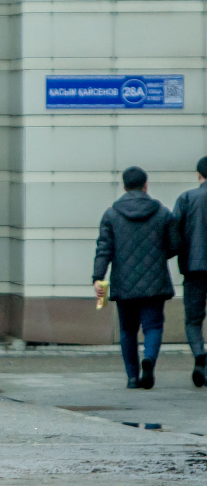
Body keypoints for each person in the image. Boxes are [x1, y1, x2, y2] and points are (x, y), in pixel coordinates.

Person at [94, 166, 177, 390]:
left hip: (124, 282)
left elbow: (104, 249)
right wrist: (159, 256)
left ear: (124, 186)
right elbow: (175, 245)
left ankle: (132, 376)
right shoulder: (162, 213)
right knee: (153, 326)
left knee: (127, 330)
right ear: (146, 185)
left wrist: (98, 277)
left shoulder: (111, 214)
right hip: (155, 281)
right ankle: (148, 359)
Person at [171, 156, 207, 388]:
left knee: (193, 320)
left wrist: (179, 253)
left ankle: (199, 356)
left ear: (198, 174)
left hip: (194, 269)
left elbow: (174, 232)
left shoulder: (186, 198)